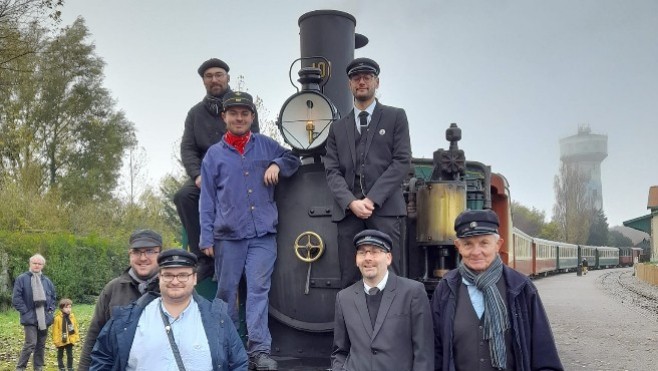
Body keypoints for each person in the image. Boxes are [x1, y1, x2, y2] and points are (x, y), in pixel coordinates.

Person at [199, 91, 300, 370]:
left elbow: (293, 159)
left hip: (263, 236)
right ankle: (230, 350)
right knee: (226, 294)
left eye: (245, 113)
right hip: (227, 237)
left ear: (252, 118)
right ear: (225, 118)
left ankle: (259, 352)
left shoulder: (266, 145)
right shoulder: (214, 156)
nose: (239, 118)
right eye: (234, 113)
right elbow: (206, 199)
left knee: (258, 291)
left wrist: (277, 164)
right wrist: (206, 237)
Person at [431, 209, 564, 371]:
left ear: (498, 245)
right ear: (458, 246)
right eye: (468, 244)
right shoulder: (446, 288)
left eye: (484, 243)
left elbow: (543, 350)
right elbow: (435, 350)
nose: (476, 252)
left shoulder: (520, 287)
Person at [324, 57, 412, 288]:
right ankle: (352, 325)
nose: (361, 82)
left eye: (367, 78)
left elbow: (401, 161)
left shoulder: (396, 117)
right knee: (349, 278)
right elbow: (332, 171)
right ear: (349, 85)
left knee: (389, 276)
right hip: (348, 214)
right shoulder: (337, 127)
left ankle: (392, 324)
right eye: (356, 78)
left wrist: (372, 199)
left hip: (384, 211)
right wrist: (351, 202)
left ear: (377, 82)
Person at [90, 249, 247, 370]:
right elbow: (102, 359)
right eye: (168, 275)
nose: (175, 281)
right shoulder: (127, 319)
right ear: (159, 278)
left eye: (183, 275)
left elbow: (238, 363)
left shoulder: (217, 318)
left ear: (194, 278)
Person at [174, 58, 260, 281]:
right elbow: (188, 148)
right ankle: (203, 258)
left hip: (239, 174)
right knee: (184, 196)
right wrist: (197, 175)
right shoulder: (195, 114)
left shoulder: (244, 107)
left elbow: (255, 141)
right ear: (203, 81)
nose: (215, 79)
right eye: (209, 76)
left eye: (219, 74)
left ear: (227, 78)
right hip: (207, 176)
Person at [332, 229, 434, 371]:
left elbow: (424, 352)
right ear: (356, 259)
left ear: (388, 258)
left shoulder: (413, 292)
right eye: (362, 252)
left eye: (375, 251)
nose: (368, 258)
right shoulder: (344, 298)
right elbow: (340, 351)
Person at [78, 229, 163, 371]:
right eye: (136, 252)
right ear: (130, 254)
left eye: (149, 251)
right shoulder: (112, 289)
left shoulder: (171, 290)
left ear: (160, 254)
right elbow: (94, 335)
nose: (143, 258)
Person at [12, 253, 57, 371]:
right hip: (30, 318)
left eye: (39, 264)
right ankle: (20, 368)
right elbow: (16, 298)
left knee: (40, 345)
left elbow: (53, 297)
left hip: (44, 318)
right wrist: (25, 312)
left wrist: (50, 311)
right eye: (34, 263)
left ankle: (38, 367)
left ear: (43, 266)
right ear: (30, 264)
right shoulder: (22, 278)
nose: (37, 265)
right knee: (30, 343)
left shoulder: (47, 281)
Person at [52, 298, 80, 371]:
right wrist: (56, 341)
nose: (68, 309)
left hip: (70, 339)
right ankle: (61, 367)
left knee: (70, 355)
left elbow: (75, 327)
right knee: (60, 355)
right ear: (61, 308)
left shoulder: (72, 316)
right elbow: (55, 331)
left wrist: (76, 336)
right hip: (61, 340)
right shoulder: (57, 318)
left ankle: (70, 367)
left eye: (70, 307)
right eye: (66, 307)